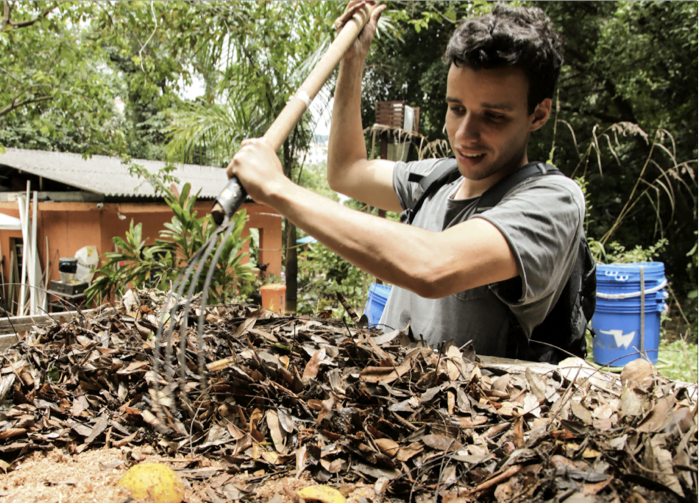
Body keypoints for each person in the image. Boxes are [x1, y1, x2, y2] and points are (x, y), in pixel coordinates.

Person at [226, 2, 586, 359]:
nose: (464, 134)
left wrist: (277, 187)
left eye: (492, 116)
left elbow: (433, 267)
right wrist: (353, 61)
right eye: (456, 108)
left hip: (475, 415)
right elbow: (347, 171)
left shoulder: (553, 200)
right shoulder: (437, 179)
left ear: (538, 114)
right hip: (394, 410)